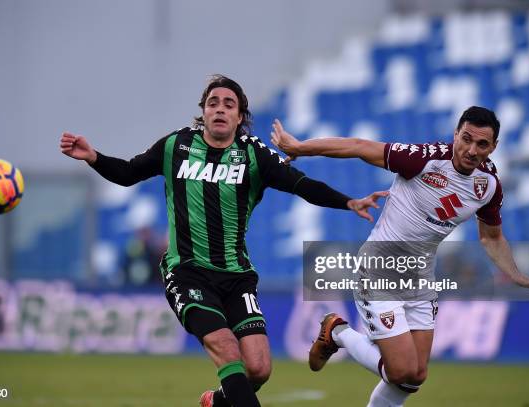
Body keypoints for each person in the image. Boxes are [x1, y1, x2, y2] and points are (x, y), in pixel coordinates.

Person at [60, 75, 387, 407]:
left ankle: (215, 403)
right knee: (227, 349)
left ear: (240, 116)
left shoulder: (253, 155)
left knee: (258, 369)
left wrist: (348, 201)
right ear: (202, 111)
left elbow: (301, 184)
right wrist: (94, 157)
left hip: (236, 276)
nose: (219, 109)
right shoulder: (176, 146)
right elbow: (129, 173)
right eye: (212, 103)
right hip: (187, 273)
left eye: (228, 104)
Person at [271, 106, 529, 407]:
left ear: (493, 147)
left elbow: (491, 237)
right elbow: (358, 146)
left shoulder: (488, 185)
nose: (471, 149)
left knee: (414, 376)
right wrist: (300, 147)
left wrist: (516, 274)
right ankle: (336, 330)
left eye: (482, 144)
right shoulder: (424, 158)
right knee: (400, 370)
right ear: (455, 134)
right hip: (379, 268)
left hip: (420, 277)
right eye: (466, 138)